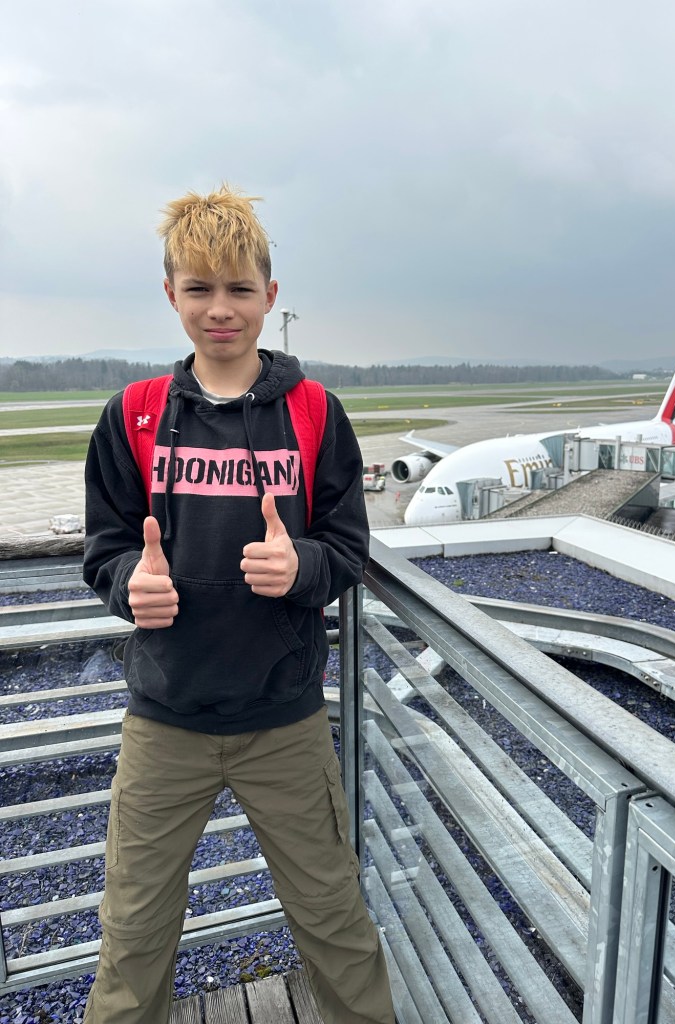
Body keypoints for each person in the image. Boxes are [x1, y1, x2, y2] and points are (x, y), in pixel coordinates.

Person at [82, 186, 395, 1024]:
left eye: (238, 289)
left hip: (283, 720)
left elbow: (348, 549)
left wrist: (301, 566)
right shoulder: (133, 416)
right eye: (199, 289)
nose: (219, 309)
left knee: (333, 918)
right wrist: (130, 584)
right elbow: (104, 548)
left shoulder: (315, 412)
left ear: (269, 296)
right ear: (171, 295)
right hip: (165, 719)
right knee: (133, 933)